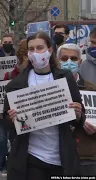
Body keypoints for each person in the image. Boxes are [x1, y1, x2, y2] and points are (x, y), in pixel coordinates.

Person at [4, 32, 85, 179]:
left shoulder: (65, 77)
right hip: (31, 158)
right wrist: (12, 119)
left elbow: (79, 118)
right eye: (31, 49)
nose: (35, 53)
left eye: (40, 48)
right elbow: (7, 122)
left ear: (49, 50)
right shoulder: (15, 85)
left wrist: (78, 114)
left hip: (61, 158)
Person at [57, 43, 96, 176]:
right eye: (64, 58)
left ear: (79, 62)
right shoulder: (49, 90)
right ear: (58, 62)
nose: (69, 62)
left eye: (73, 59)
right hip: (57, 157)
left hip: (86, 157)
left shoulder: (92, 89)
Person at [0, 33, 16, 177]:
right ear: (1, 44)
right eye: (5, 41)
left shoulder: (18, 59)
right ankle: (2, 166)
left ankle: (12, 163)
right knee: (1, 139)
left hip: (13, 105)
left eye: (10, 42)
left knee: (13, 138)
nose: (7, 43)